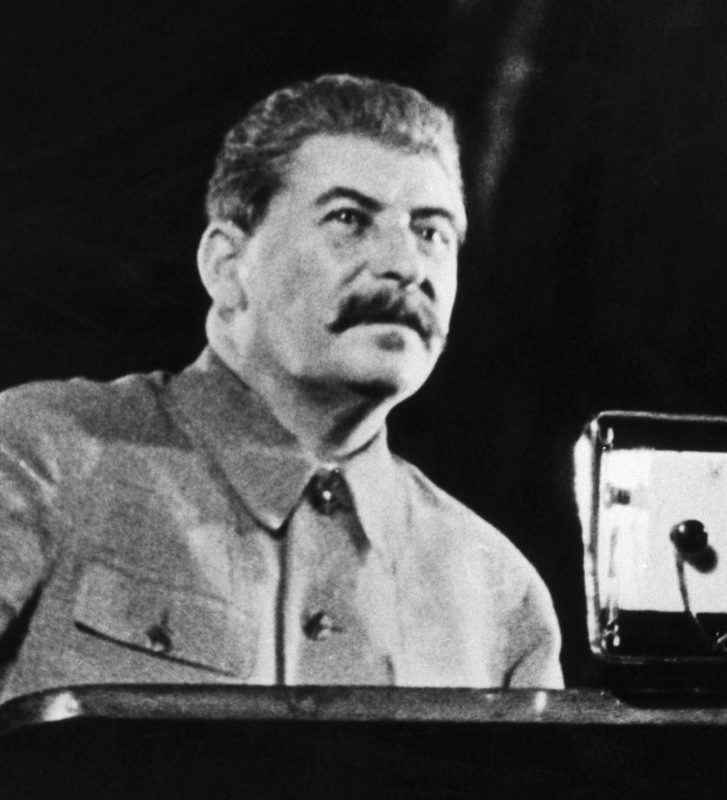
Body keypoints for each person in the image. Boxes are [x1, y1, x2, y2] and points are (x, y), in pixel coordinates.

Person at [0, 74, 562, 699]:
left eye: (431, 232)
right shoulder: (41, 458)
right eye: (348, 219)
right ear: (227, 266)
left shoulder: (498, 594)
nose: (405, 266)